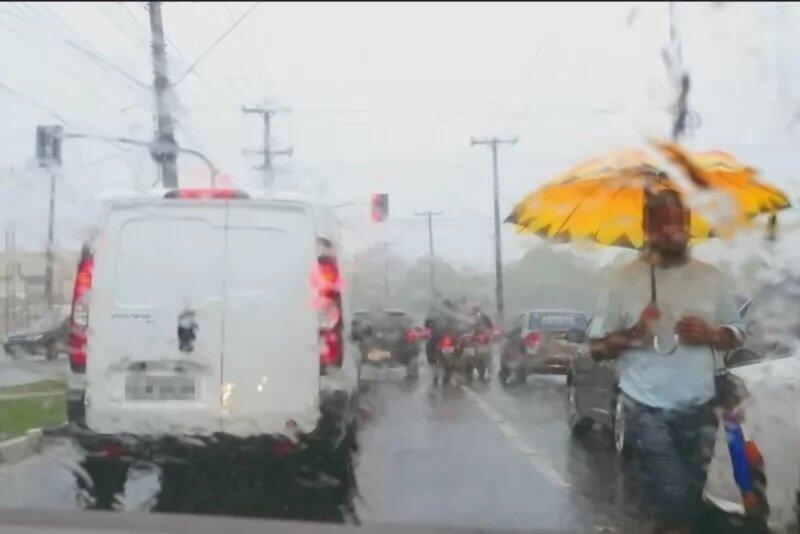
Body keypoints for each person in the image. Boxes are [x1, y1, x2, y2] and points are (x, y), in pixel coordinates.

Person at [590, 188, 745, 534]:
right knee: (672, 499)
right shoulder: (623, 280)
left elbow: (738, 332)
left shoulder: (710, 277)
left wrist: (712, 334)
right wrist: (636, 331)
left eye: (681, 223)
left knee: (689, 503)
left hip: (701, 407)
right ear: (647, 228)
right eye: (664, 224)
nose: (673, 232)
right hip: (645, 408)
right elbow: (597, 348)